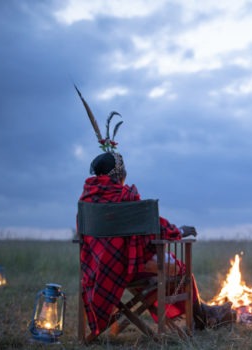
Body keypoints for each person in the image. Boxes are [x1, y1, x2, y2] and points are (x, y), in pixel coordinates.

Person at [75, 87, 232, 337]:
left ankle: (203, 314)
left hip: (97, 271)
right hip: (129, 266)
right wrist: (179, 231)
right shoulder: (125, 199)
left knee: (166, 266)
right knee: (180, 269)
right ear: (118, 173)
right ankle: (201, 317)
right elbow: (154, 225)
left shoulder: (87, 202)